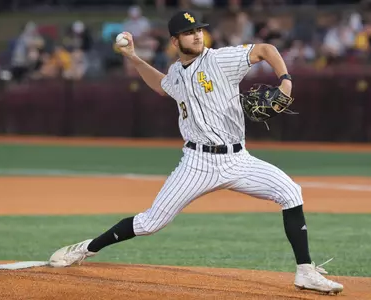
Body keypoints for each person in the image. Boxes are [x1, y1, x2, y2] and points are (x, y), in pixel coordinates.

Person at [48, 10, 344, 295]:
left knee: (291, 193)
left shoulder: (221, 59)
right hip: (197, 163)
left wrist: (286, 81)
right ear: (175, 41)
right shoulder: (176, 71)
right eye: (188, 32)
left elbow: (265, 49)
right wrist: (135, 59)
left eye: (198, 30)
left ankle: (305, 272)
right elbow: (163, 87)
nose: (196, 35)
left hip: (238, 159)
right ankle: (86, 249)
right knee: (151, 223)